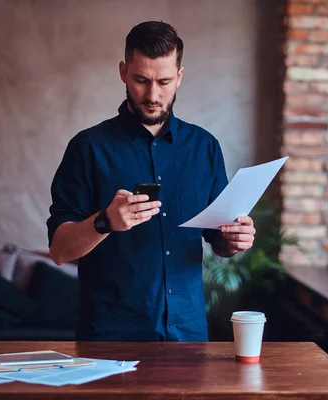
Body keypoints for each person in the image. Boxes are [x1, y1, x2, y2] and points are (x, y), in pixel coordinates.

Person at [47, 21, 256, 342]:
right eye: (141, 80)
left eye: (165, 81)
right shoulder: (88, 148)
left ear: (180, 77)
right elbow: (60, 250)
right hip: (110, 337)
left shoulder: (205, 148)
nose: (153, 95)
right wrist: (105, 221)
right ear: (123, 72)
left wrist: (235, 239)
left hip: (189, 335)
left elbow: (218, 238)